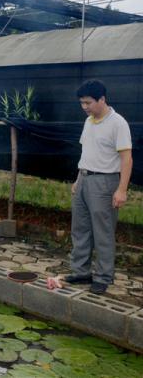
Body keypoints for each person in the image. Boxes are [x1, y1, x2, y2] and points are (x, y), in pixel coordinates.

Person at [67, 80, 132, 295]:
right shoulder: (89, 122)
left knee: (102, 231)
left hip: (105, 182)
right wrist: (78, 179)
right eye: (82, 103)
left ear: (102, 99)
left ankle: (104, 276)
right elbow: (86, 152)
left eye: (88, 102)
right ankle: (80, 271)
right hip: (84, 178)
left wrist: (121, 189)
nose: (85, 107)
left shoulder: (118, 123)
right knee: (80, 228)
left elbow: (126, 158)